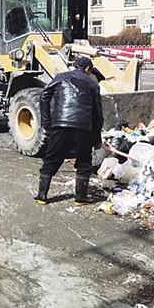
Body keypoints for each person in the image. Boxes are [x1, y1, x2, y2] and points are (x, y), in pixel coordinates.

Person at [35, 56, 104, 206]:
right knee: (84, 162)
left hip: (61, 125)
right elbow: (98, 115)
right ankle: (80, 198)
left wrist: (47, 122)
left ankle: (42, 196)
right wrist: (96, 139)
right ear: (87, 69)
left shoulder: (61, 77)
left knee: (52, 158)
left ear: (75, 66)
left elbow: (44, 96)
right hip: (84, 127)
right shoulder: (93, 84)